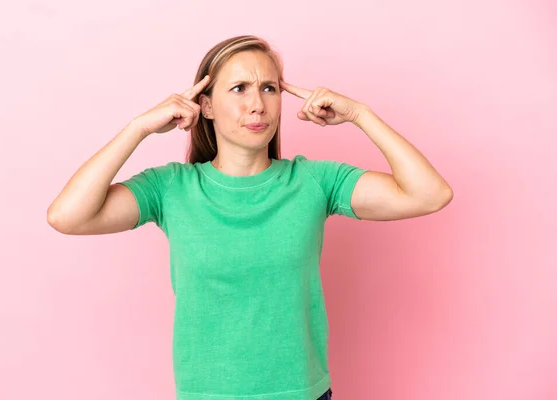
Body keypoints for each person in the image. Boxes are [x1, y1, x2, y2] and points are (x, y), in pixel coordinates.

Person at [47, 35, 453, 400]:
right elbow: (67, 216)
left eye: (269, 88)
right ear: (204, 105)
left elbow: (430, 194)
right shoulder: (171, 188)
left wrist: (361, 114)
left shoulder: (313, 181)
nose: (257, 103)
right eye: (239, 88)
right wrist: (137, 128)